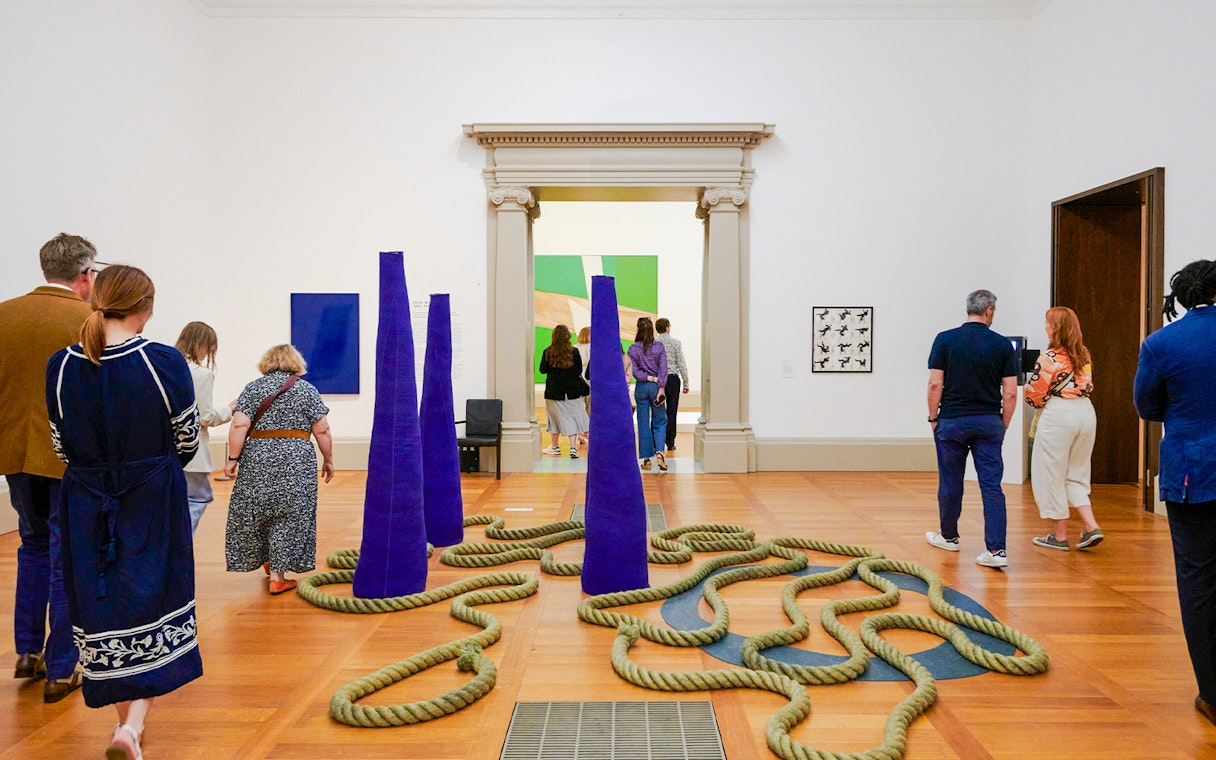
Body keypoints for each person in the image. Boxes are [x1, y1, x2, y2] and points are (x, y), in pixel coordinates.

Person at [45, 264, 202, 759]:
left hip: (86, 500)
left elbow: (61, 445)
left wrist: (100, 472)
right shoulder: (162, 361)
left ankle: (126, 727)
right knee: (153, 600)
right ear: (146, 306)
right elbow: (188, 440)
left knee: (102, 605)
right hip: (152, 497)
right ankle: (130, 729)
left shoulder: (63, 365)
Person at [0, 233, 94, 704]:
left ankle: (26, 653)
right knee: (67, 556)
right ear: (85, 274)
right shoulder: (88, 320)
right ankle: (62, 667)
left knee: (32, 546)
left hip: (14, 455)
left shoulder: (4, 314)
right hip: (69, 459)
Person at [1133, 259, 1216, 727]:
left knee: (1200, 584)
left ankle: (1213, 694)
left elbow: (1146, 406)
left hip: (1194, 476)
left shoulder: (1161, 343)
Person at [223, 344, 334, 595]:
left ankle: (269, 559)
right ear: (296, 363)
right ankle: (278, 576)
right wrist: (328, 459)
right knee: (290, 513)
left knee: (258, 510)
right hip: (297, 458)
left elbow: (239, 425)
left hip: (257, 457)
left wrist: (232, 458)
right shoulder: (306, 390)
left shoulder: (253, 388)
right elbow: (322, 430)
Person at [925, 289, 1018, 569]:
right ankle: (996, 550)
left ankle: (949, 536)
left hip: (952, 421)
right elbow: (1011, 392)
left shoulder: (945, 340)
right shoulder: (1002, 345)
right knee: (992, 486)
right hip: (988, 421)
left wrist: (933, 418)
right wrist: (1003, 423)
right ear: (989, 311)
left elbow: (934, 384)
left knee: (951, 482)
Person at [1026, 307, 1103, 551]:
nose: (1045, 328)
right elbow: (1088, 383)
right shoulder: (1084, 354)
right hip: (1086, 412)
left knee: (1051, 472)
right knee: (1077, 473)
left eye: (1048, 324)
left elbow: (1033, 395)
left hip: (1059, 415)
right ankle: (1091, 526)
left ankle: (1059, 535)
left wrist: (1042, 398)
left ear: (1056, 328)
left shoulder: (1048, 358)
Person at [175, 321, 233, 533]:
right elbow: (205, 417)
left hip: (164, 451)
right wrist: (230, 409)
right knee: (197, 500)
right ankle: (181, 550)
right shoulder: (202, 374)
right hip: (193, 451)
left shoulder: (163, 367)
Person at [538, 325, 589, 460]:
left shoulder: (548, 352)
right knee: (572, 418)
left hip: (554, 392)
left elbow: (542, 370)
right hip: (573, 391)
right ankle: (573, 447)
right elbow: (578, 371)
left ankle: (555, 447)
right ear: (568, 337)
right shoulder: (574, 352)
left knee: (553, 420)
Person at [629, 317, 668, 472]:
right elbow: (663, 369)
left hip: (641, 389)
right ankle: (659, 453)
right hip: (656, 388)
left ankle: (646, 460)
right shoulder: (659, 347)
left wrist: (647, 377)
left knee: (643, 423)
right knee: (660, 421)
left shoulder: (633, 349)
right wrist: (661, 387)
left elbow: (635, 372)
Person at [654, 318, 690, 452]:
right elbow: (681, 363)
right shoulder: (676, 343)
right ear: (668, 328)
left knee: (658, 411)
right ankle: (670, 442)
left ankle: (657, 442)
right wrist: (686, 382)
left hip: (658, 380)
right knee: (672, 411)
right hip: (673, 380)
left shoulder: (654, 343)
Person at [575, 326, 592, 443]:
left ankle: (580, 433)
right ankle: (587, 432)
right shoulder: (593, 347)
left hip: (577, 380)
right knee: (589, 406)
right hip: (590, 380)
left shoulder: (575, 347)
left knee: (579, 407)